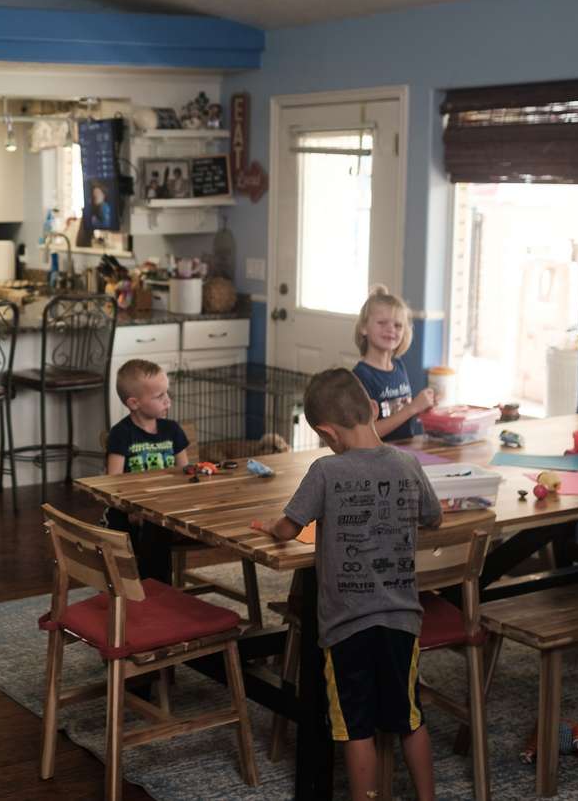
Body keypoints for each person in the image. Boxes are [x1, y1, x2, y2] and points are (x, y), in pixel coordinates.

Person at [253, 367, 441, 801]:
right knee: (408, 716)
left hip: (345, 625)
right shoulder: (408, 464)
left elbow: (287, 528)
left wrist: (270, 526)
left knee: (355, 726)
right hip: (401, 620)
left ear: (325, 431)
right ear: (373, 409)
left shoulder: (325, 471)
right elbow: (433, 517)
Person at [103, 359, 190, 583]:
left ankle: (157, 589)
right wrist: (132, 507)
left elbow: (185, 474)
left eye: (167, 393)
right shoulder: (121, 433)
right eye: (159, 396)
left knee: (157, 527)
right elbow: (114, 482)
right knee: (120, 525)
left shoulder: (172, 430)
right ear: (134, 403)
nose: (168, 401)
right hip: (130, 506)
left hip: (165, 506)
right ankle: (129, 584)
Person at [352, 285, 435, 442]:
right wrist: (412, 408)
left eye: (398, 325)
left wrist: (422, 407)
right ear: (363, 327)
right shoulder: (360, 376)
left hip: (403, 452)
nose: (391, 329)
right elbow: (367, 432)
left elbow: (400, 415)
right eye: (382, 323)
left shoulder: (399, 367)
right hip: (377, 459)